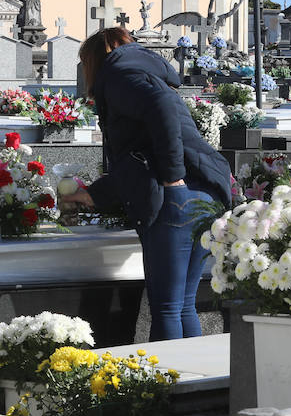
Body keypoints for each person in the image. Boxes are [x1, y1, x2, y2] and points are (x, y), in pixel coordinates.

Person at [61, 27, 232, 340]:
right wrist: (93, 195)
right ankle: (193, 385)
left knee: (167, 307)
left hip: (177, 197)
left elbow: (160, 112)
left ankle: (170, 388)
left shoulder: (119, 74)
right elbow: (140, 159)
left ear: (95, 59)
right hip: (206, 192)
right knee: (183, 305)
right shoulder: (146, 74)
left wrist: (172, 176)